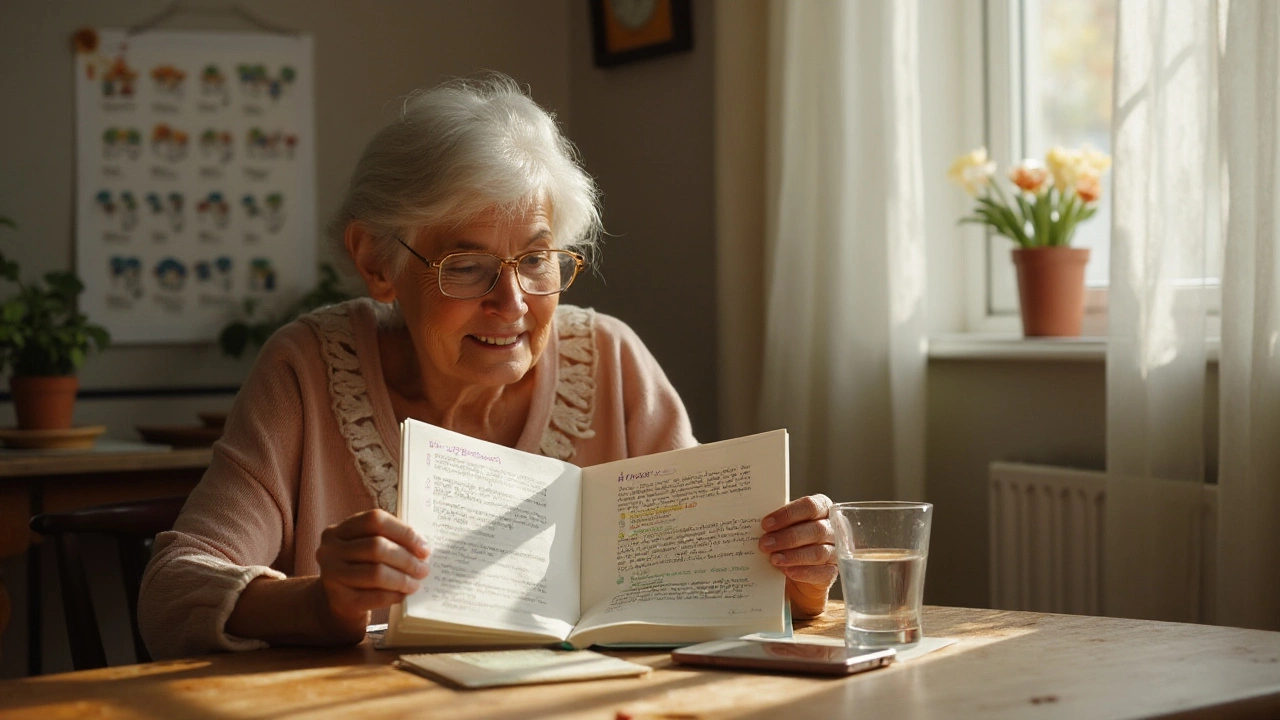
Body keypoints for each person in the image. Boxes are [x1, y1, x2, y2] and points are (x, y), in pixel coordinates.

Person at [139, 74, 836, 659]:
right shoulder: (308, 367)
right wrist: (321, 602)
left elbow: (714, 577)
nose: (512, 303)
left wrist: (800, 575)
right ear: (377, 262)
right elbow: (171, 591)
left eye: (535, 260)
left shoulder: (612, 358)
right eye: (466, 266)